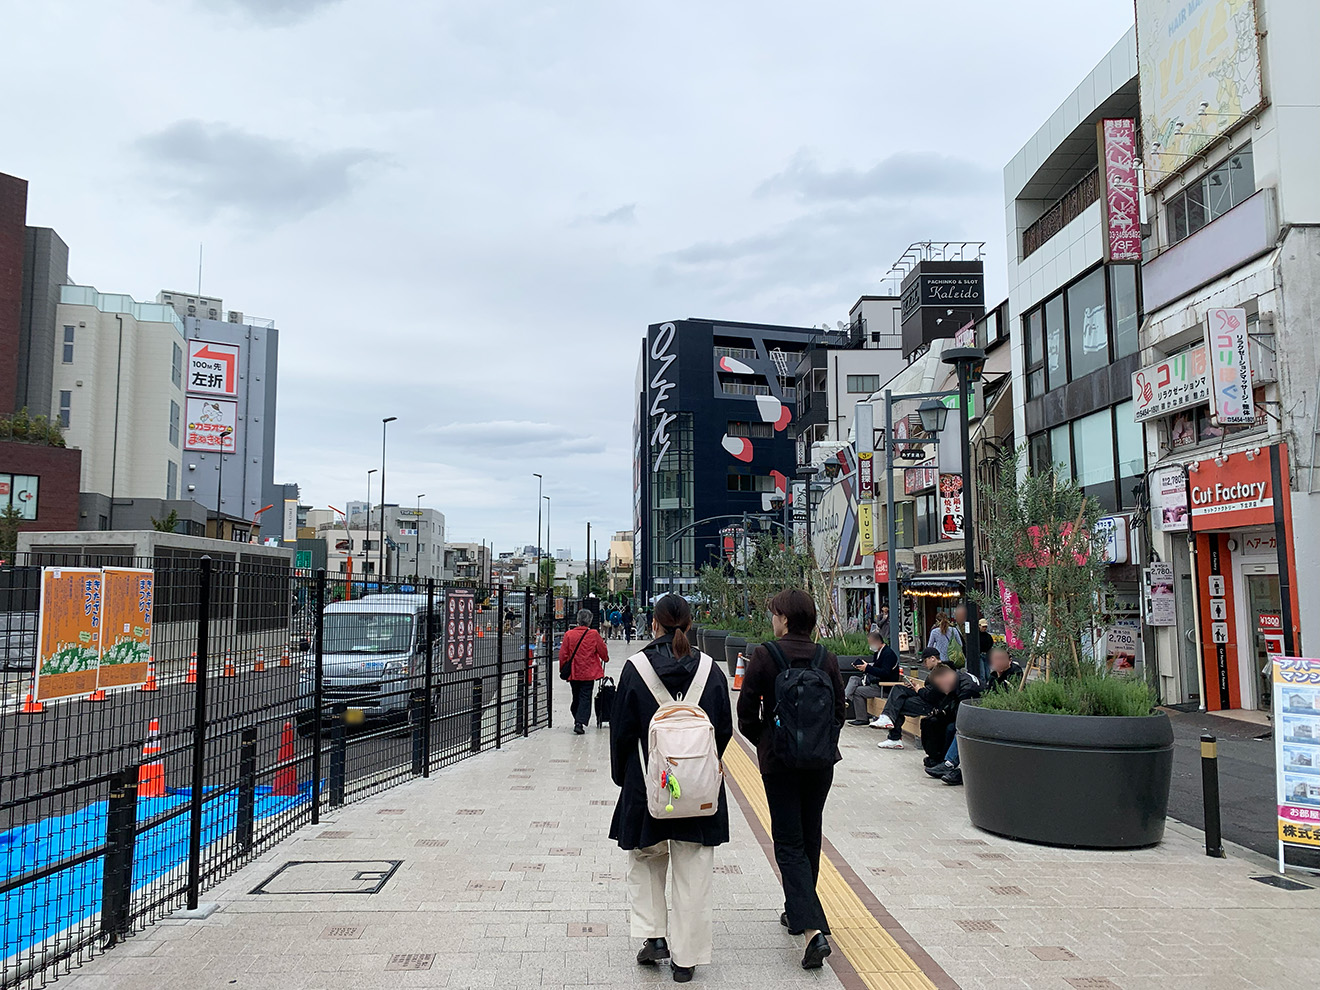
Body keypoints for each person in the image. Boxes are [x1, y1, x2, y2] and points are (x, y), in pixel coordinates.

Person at [610, 594, 733, 984]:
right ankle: (686, 959)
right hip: (698, 791)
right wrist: (700, 770)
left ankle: (654, 938)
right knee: (693, 868)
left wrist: (624, 779)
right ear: (692, 624)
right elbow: (723, 731)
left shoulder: (635, 668)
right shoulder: (711, 670)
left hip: (647, 784)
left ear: (654, 625)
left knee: (646, 860)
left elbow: (621, 732)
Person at [736, 589, 846, 971]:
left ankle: (812, 929)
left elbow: (746, 710)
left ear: (783, 617)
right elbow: (839, 710)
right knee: (809, 833)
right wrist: (820, 742)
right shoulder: (825, 657)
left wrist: (767, 741)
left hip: (780, 763)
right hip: (820, 763)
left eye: (774, 614)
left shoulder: (767, 654)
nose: (772, 620)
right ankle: (796, 907)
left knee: (787, 841)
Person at [926, 646, 1023, 785]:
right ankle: (949, 764)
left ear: (1010, 660)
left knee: (963, 729)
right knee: (954, 727)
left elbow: (1008, 700)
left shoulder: (1014, 676)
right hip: (987, 713)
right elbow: (988, 697)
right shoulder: (994, 676)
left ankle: (951, 765)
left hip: (1002, 718)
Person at [873, 661, 982, 763]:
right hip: (931, 701)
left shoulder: (946, 674)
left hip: (933, 704)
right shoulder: (944, 674)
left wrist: (919, 690)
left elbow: (933, 696)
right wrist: (917, 688)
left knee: (898, 705)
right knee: (898, 691)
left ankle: (893, 732)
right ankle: (887, 719)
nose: (924, 664)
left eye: (925, 661)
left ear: (933, 658)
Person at [560, 609, 610, 734]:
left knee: (576, 696)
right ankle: (579, 722)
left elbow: (563, 654)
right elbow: (602, 650)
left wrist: (563, 668)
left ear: (577, 620)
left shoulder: (569, 635)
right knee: (585, 697)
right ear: (590, 621)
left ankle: (577, 716)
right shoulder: (593, 634)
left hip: (574, 671)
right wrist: (605, 658)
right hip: (588, 672)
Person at [845, 626, 901, 726]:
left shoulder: (888, 654)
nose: (870, 646)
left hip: (883, 686)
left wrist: (867, 668)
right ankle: (845, 698)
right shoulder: (877, 652)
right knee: (853, 679)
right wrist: (864, 666)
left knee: (858, 691)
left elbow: (885, 672)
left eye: (871, 643)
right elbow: (876, 666)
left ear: (878, 642)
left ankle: (861, 718)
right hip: (874, 681)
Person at [976, 618, 994, 682]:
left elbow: (991, 644)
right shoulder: (976, 636)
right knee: (982, 674)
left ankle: (987, 687)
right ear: (979, 626)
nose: (984, 628)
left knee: (987, 674)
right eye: (983, 626)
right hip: (980, 655)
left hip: (986, 655)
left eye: (985, 627)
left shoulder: (988, 636)